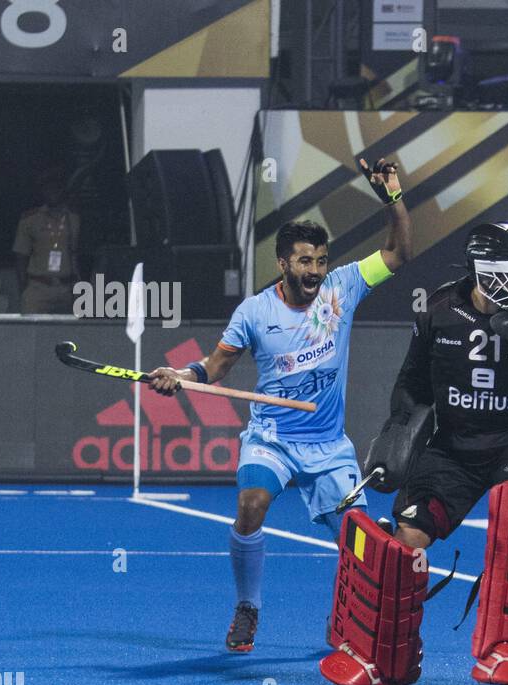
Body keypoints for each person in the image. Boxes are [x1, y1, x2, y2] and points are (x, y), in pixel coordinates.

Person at [147, 158, 411, 652]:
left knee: (362, 543)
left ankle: (346, 618)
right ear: (283, 264)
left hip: (329, 446)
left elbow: (399, 252)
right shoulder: (254, 312)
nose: (314, 271)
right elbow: (214, 368)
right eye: (304, 261)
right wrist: (180, 377)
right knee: (251, 506)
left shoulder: (344, 287)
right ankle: (248, 606)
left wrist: (392, 199)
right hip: (273, 440)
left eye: (320, 260)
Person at [336, 220, 508, 685]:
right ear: (485, 272)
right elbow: (411, 383)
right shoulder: (438, 311)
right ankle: (392, 654)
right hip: (453, 449)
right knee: (407, 541)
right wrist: (399, 434)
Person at [14, 166, 81, 314]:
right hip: (38, 288)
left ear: (63, 189)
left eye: (56, 187)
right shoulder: (30, 220)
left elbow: (78, 254)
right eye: (47, 187)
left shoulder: (74, 219)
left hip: (67, 288)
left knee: (69, 335)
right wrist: (24, 289)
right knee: (31, 333)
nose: (52, 191)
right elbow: (21, 257)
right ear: (42, 191)